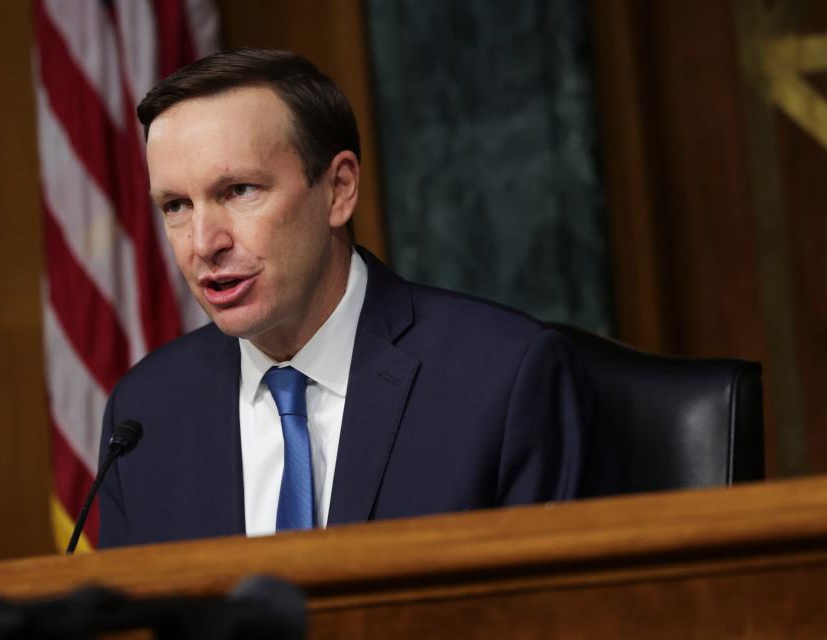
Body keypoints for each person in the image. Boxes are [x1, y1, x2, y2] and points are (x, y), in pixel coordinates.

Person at [98, 48, 594, 548]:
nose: (203, 243)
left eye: (240, 190)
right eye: (176, 205)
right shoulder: (145, 413)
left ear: (338, 189)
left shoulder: (504, 377)